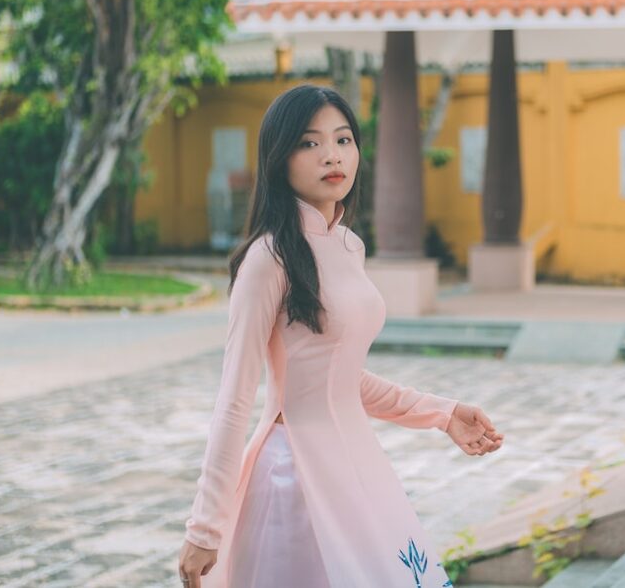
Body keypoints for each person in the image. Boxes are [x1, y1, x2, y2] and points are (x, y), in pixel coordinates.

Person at [177, 85, 504, 587]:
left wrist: (442, 413)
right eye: (309, 143)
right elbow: (234, 400)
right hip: (295, 477)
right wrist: (205, 527)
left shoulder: (349, 245)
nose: (331, 155)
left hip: (355, 464)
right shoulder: (268, 260)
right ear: (279, 158)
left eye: (343, 139)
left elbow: (340, 376)